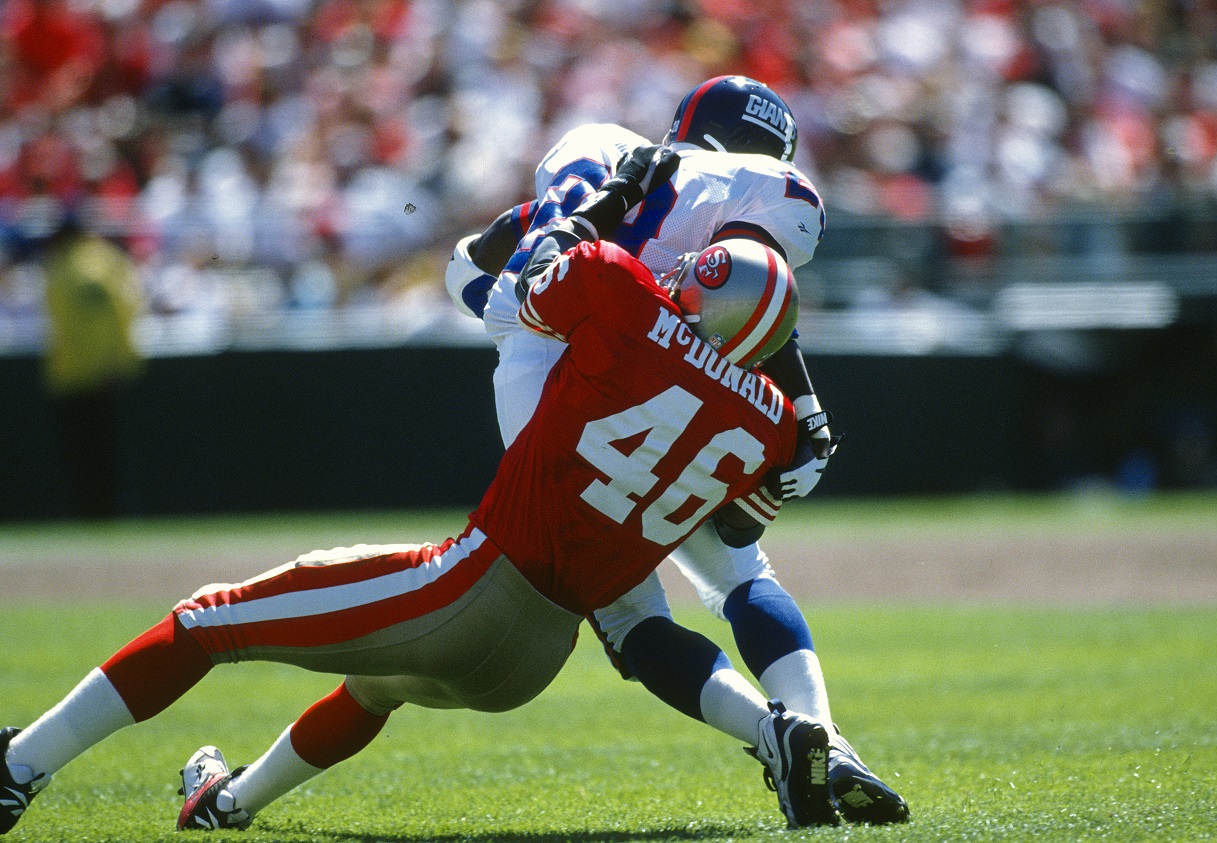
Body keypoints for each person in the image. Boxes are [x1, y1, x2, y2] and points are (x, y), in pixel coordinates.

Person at [2, 145, 838, 835]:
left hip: (469, 587)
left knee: (203, 622)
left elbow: (525, 284)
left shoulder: (620, 290)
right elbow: (734, 531)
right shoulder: (765, 421)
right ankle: (225, 804)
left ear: (709, 298)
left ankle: (16, 767)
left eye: (700, 273)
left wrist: (613, 196)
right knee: (374, 684)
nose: (683, 267)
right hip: (537, 657)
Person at [446, 76, 908, 825]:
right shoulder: (775, 194)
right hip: (678, 388)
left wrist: (541, 254)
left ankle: (772, 733)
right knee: (740, 572)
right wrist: (806, 407)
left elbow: (473, 274)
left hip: (560, 376)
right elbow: (743, 293)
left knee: (627, 614)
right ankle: (825, 735)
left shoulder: (608, 165)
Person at [40, 209, 145, 519]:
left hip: (71, 376)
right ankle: (110, 511)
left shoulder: (59, 267)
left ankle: (89, 511)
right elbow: (129, 310)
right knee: (108, 452)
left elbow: (60, 326)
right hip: (108, 373)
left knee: (81, 455)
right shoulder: (109, 261)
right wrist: (121, 360)